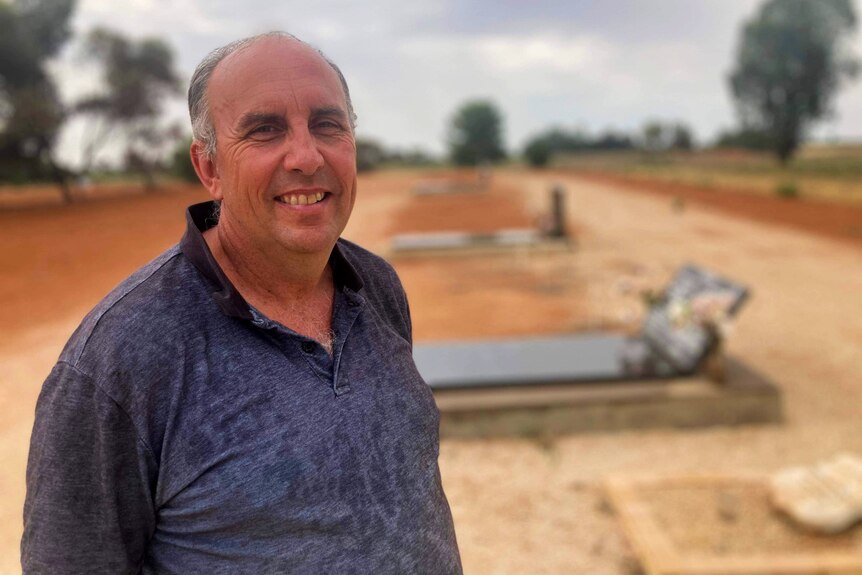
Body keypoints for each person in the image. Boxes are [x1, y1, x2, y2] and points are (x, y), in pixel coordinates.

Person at [22, 32, 462, 574]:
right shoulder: (119, 358)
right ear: (209, 169)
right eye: (264, 130)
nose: (306, 156)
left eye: (328, 125)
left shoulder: (376, 287)